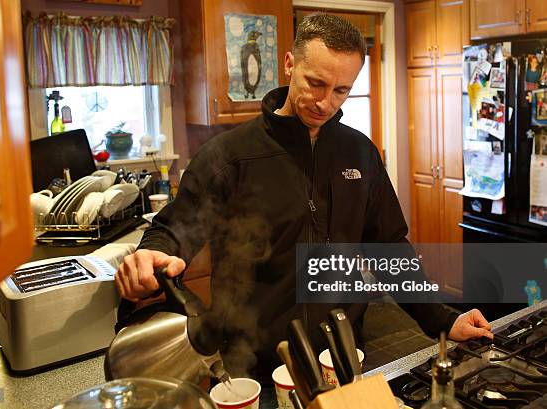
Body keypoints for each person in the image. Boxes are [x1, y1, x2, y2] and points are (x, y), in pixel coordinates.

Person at [115, 14, 493, 382]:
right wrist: (152, 254)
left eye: (341, 90)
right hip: (254, 364)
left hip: (341, 357)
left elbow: (389, 247)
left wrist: (443, 319)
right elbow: (174, 229)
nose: (325, 103)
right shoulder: (229, 156)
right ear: (289, 64)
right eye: (315, 83)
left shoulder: (360, 154)